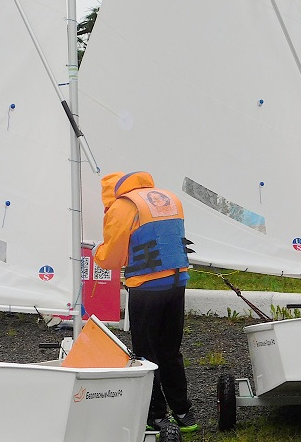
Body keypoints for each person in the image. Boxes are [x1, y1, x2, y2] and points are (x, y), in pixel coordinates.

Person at [94, 170, 198, 433]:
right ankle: (184, 413)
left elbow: (113, 257)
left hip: (147, 287)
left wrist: (99, 255)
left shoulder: (123, 206)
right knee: (170, 350)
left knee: (146, 354)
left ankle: (157, 416)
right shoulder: (169, 198)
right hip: (177, 283)